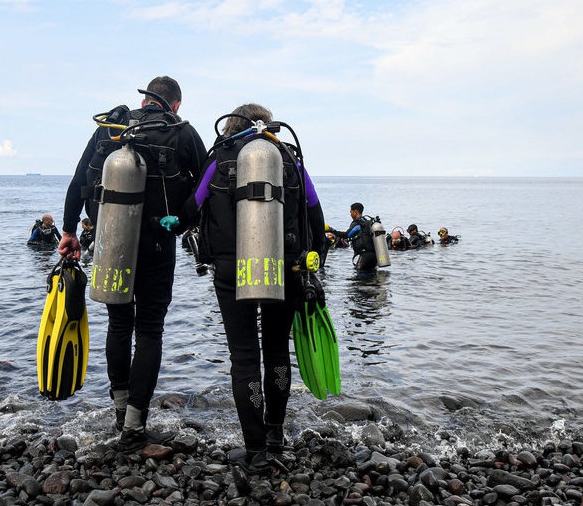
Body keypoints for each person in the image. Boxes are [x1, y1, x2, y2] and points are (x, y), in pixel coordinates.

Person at [58, 76, 207, 451]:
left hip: (111, 242)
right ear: (175, 105)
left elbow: (79, 182)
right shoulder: (181, 132)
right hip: (157, 242)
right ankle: (135, 428)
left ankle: (120, 411)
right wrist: (186, 223)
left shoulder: (112, 127)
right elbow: (208, 184)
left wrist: (68, 231)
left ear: (145, 101)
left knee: (119, 324)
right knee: (150, 330)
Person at [185, 104, 327, 474]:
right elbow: (315, 214)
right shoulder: (288, 159)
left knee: (244, 357)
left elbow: (191, 208)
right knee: (278, 351)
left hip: (232, 270)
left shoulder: (220, 159)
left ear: (231, 127)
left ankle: (255, 450)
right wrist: (314, 267)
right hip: (286, 266)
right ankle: (276, 435)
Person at [328, 203, 379, 270]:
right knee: (371, 277)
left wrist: (331, 229)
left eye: (351, 212)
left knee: (359, 277)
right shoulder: (368, 222)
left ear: (355, 212)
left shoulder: (358, 224)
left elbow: (346, 235)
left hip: (365, 257)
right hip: (375, 257)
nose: (350, 214)